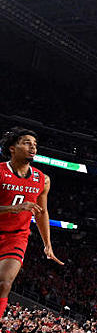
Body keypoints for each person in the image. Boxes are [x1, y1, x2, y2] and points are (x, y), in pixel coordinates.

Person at [0, 127, 64, 320]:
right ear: (12, 148)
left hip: (16, 236)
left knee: (4, 284)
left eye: (35, 144)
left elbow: (42, 213)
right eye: (27, 142)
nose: (33, 147)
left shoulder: (42, 179)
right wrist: (13, 209)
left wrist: (47, 244)